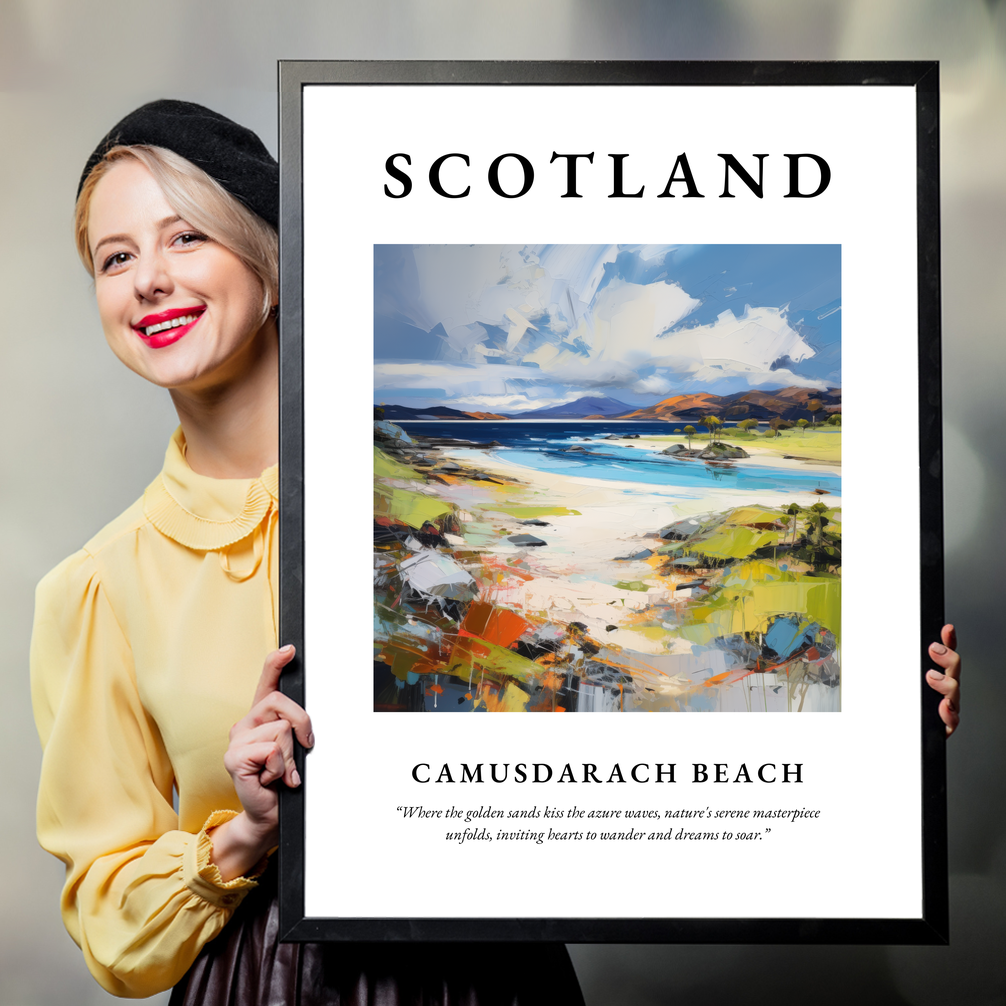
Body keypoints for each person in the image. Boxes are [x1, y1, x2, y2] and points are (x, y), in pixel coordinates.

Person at [30, 100, 585, 1004]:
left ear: (273, 264)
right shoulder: (97, 587)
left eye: (185, 239)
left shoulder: (449, 501)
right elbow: (110, 924)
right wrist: (245, 832)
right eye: (116, 257)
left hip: (492, 973)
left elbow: (593, 702)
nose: (148, 281)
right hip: (263, 981)